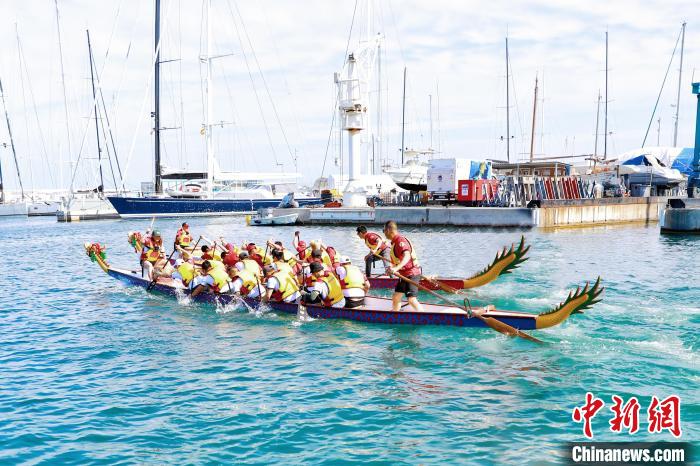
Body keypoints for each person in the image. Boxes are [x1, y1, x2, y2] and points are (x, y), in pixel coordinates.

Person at [383, 220, 424, 313]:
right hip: (404, 275)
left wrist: (396, 269)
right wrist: (391, 268)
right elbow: (397, 260)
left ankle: (424, 316)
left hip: (412, 274)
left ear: (389, 230)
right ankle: (395, 314)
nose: (383, 233)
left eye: (384, 230)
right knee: (396, 296)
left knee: (411, 299)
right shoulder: (394, 242)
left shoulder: (400, 241)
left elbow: (407, 256)